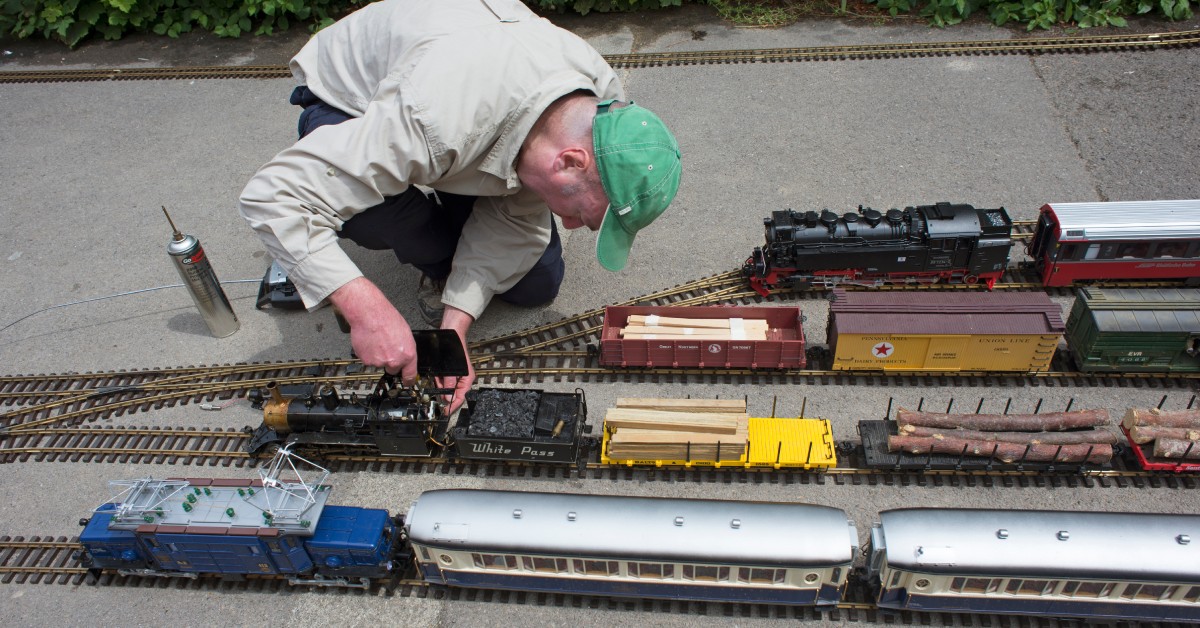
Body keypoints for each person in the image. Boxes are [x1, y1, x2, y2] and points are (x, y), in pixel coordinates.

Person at [239, 0, 682, 413]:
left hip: (469, 112)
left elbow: (514, 223)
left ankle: (447, 226)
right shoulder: (433, 118)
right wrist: (364, 307)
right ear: (568, 161)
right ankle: (422, 231)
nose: (566, 223)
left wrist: (453, 329)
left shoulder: (603, 105)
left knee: (536, 285)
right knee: (379, 217)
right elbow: (274, 195)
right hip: (356, 100)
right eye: (580, 213)